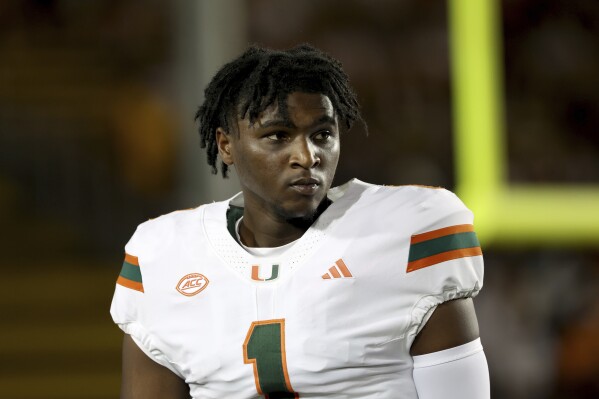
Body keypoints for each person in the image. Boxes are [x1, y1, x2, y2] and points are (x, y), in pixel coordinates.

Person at [111, 44, 490, 399]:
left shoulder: (407, 229)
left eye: (322, 134)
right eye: (278, 135)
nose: (307, 156)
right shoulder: (165, 255)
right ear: (226, 145)